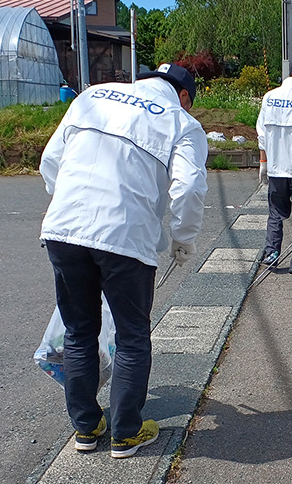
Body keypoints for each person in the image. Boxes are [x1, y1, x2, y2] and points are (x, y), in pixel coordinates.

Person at [39, 63, 208, 457]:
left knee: (79, 331)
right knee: (132, 337)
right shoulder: (180, 121)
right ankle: (126, 432)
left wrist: (68, 205)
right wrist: (182, 240)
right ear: (184, 96)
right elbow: (188, 187)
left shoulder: (93, 96)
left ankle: (86, 428)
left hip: (64, 229)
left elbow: (51, 160)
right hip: (125, 240)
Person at [256, 53, 292, 273]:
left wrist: (263, 162)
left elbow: (261, 132)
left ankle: (271, 254)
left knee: (275, 214)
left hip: (277, 168)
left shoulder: (270, 97)